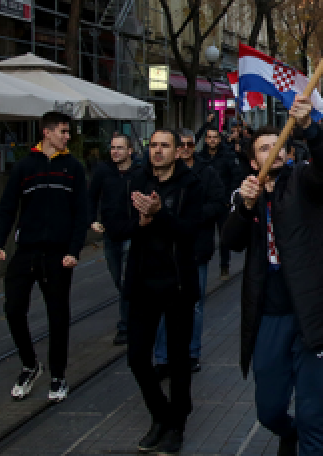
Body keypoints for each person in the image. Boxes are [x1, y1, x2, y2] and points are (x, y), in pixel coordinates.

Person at [223, 97, 323, 456]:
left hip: (311, 311)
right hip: (271, 314)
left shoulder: (303, 183)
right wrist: (244, 208)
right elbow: (230, 242)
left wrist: (309, 128)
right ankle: (286, 432)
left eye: (278, 146)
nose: (273, 152)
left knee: (311, 411)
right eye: (264, 148)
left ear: (288, 154)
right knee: (269, 409)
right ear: (252, 160)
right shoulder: (248, 194)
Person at [108, 129, 216, 456]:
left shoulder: (191, 184)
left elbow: (189, 231)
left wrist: (159, 214)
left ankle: (176, 425)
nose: (157, 151)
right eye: (153, 145)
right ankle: (160, 413)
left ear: (176, 151)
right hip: (143, 282)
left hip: (178, 284)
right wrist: (139, 224)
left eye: (164, 146)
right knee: (137, 357)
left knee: (179, 360)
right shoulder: (136, 180)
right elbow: (115, 226)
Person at [0, 111, 90, 403]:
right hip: (27, 251)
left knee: (58, 316)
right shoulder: (25, 167)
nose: (67, 136)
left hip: (58, 254)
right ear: (46, 133)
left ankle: (58, 375)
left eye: (68, 132)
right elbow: (8, 207)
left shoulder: (73, 168)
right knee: (13, 308)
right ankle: (30, 364)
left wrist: (73, 251)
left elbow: (80, 213)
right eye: (62, 131)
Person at [153, 130, 227, 376]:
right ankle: (163, 356)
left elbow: (219, 203)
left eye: (188, 144)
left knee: (193, 304)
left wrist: (195, 215)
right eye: (181, 145)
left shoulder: (206, 173)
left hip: (196, 248)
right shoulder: (161, 175)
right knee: (163, 304)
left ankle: (191, 352)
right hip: (164, 250)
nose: (185, 149)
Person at [88, 133, 137, 346]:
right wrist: (92, 220)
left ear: (130, 151)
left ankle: (126, 325)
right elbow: (90, 198)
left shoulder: (139, 172)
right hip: (111, 233)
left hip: (132, 234)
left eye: (119, 148)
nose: (115, 151)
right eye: (113, 148)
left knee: (127, 281)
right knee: (118, 279)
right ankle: (133, 315)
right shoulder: (103, 172)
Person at [199, 127, 244, 280]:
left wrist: (228, 199)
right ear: (206, 140)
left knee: (224, 235)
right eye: (209, 137)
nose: (212, 140)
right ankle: (204, 260)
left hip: (223, 203)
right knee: (206, 235)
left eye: (215, 137)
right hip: (207, 204)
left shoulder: (227, 156)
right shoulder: (201, 158)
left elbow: (235, 177)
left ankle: (224, 265)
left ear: (219, 139)